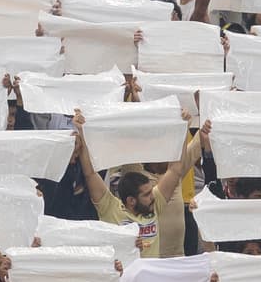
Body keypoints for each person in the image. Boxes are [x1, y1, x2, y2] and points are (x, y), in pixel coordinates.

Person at [73, 109, 199, 259]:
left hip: (152, 277)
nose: (152, 196)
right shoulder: (110, 208)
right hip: (123, 277)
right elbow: (90, 173)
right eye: (146, 195)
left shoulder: (155, 202)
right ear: (131, 201)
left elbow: (175, 170)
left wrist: (182, 129)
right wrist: (82, 131)